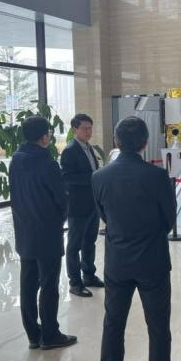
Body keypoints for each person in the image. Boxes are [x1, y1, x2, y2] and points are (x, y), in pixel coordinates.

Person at [91, 116, 177, 361]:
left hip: (118, 261)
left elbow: (104, 215)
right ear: (145, 143)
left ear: (116, 141)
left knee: (113, 323)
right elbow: (169, 219)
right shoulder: (157, 177)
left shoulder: (99, 177)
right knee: (158, 326)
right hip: (153, 260)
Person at [9, 115, 77, 350]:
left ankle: (32, 334)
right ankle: (50, 335)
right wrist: (61, 218)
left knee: (28, 284)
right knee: (48, 284)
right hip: (47, 230)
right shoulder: (47, 163)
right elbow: (61, 198)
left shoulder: (16, 160)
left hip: (24, 229)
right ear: (44, 137)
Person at [60, 113, 104, 297]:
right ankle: (75, 283)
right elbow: (67, 178)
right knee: (74, 246)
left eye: (90, 128)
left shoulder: (89, 148)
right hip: (78, 206)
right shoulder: (70, 151)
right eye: (85, 128)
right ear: (75, 129)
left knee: (89, 243)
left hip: (92, 204)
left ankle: (89, 275)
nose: (88, 131)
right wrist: (93, 177)